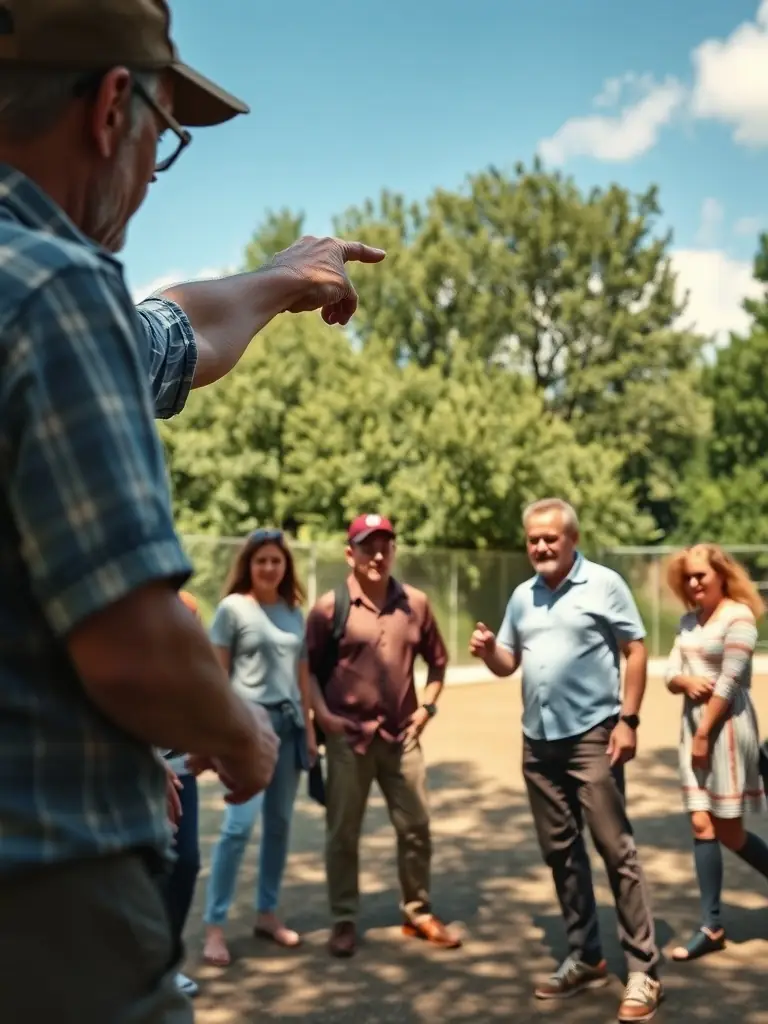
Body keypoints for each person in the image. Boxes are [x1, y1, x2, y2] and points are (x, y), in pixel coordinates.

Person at [0, 0, 392, 1018]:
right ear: (111, 108)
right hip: (46, 914)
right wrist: (233, 734)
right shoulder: (52, 286)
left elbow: (171, 336)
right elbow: (133, 650)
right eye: (163, 139)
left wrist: (276, 278)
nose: (149, 172)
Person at [470, 498, 662, 1024]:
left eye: (550, 538)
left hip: (593, 738)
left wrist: (629, 720)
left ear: (571, 539)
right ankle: (587, 957)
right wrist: (489, 651)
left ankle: (644, 969)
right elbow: (510, 663)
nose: (541, 547)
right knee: (560, 852)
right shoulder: (521, 597)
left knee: (614, 850)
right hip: (539, 742)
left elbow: (635, 649)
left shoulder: (603, 584)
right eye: (533, 539)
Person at [305, 514, 460, 958]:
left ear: (394, 550)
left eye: (385, 545)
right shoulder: (329, 608)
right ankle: (343, 919)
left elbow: (439, 663)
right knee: (343, 833)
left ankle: (419, 911)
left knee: (416, 826)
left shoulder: (416, 603)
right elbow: (308, 669)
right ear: (348, 552)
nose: (377, 554)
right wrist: (324, 717)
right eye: (367, 545)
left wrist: (428, 708)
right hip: (347, 738)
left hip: (402, 737)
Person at [202, 529, 316, 966]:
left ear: (286, 566)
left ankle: (267, 913)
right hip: (247, 731)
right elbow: (218, 678)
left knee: (281, 824)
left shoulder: (292, 611)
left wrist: (307, 730)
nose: (269, 567)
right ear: (248, 565)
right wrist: (223, 737)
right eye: (261, 560)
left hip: (287, 729)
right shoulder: (232, 610)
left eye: (276, 560)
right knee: (236, 828)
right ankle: (214, 926)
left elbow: (302, 673)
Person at [664, 544, 768, 962]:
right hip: (693, 728)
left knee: (730, 831)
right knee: (702, 823)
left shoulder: (739, 617)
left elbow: (728, 681)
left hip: (724, 728)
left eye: (701, 575)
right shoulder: (688, 622)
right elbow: (671, 670)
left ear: (721, 575)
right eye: (688, 576)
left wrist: (705, 732)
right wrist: (684, 684)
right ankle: (712, 926)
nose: (693, 583)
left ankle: (712, 923)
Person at [159, 590, 205, 998]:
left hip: (180, 767)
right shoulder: (120, 624)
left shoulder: (188, 608)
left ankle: (166, 961)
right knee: (142, 870)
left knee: (186, 862)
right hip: (135, 770)